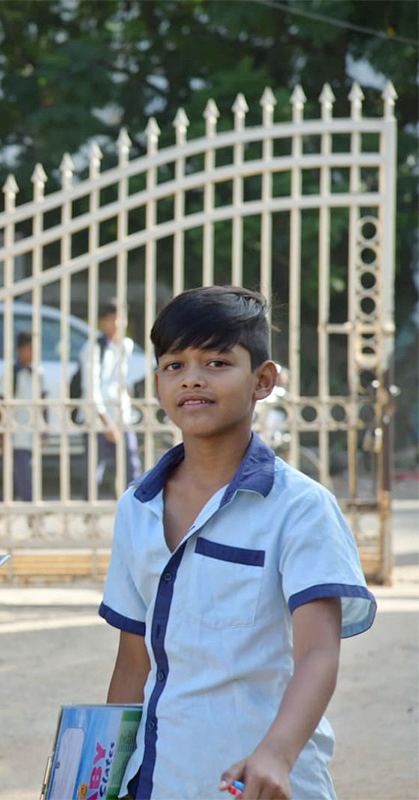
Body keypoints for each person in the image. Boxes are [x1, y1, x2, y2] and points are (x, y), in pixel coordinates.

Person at [99, 286, 376, 799]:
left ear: (263, 380)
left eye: (217, 362)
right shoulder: (136, 508)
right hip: (159, 780)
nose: (193, 378)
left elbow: (318, 653)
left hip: (263, 781)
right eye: (174, 364)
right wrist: (101, 779)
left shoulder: (300, 508)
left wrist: (278, 751)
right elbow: (132, 663)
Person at [80, 298, 142, 495]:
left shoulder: (126, 345)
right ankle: (89, 516)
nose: (117, 324)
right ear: (103, 321)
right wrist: (105, 420)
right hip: (98, 418)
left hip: (122, 415)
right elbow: (90, 387)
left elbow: (125, 381)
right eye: (112, 319)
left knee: (131, 465)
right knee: (94, 470)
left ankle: (135, 507)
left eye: (120, 318)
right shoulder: (93, 348)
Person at [0, 331, 42, 502]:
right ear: (20, 350)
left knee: (16, 481)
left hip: (31, 432)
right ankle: (34, 517)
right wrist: (3, 435)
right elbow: (1, 407)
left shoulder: (38, 373)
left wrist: (44, 431)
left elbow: (43, 404)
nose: (33, 353)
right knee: (25, 477)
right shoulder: (10, 374)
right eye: (30, 349)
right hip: (15, 435)